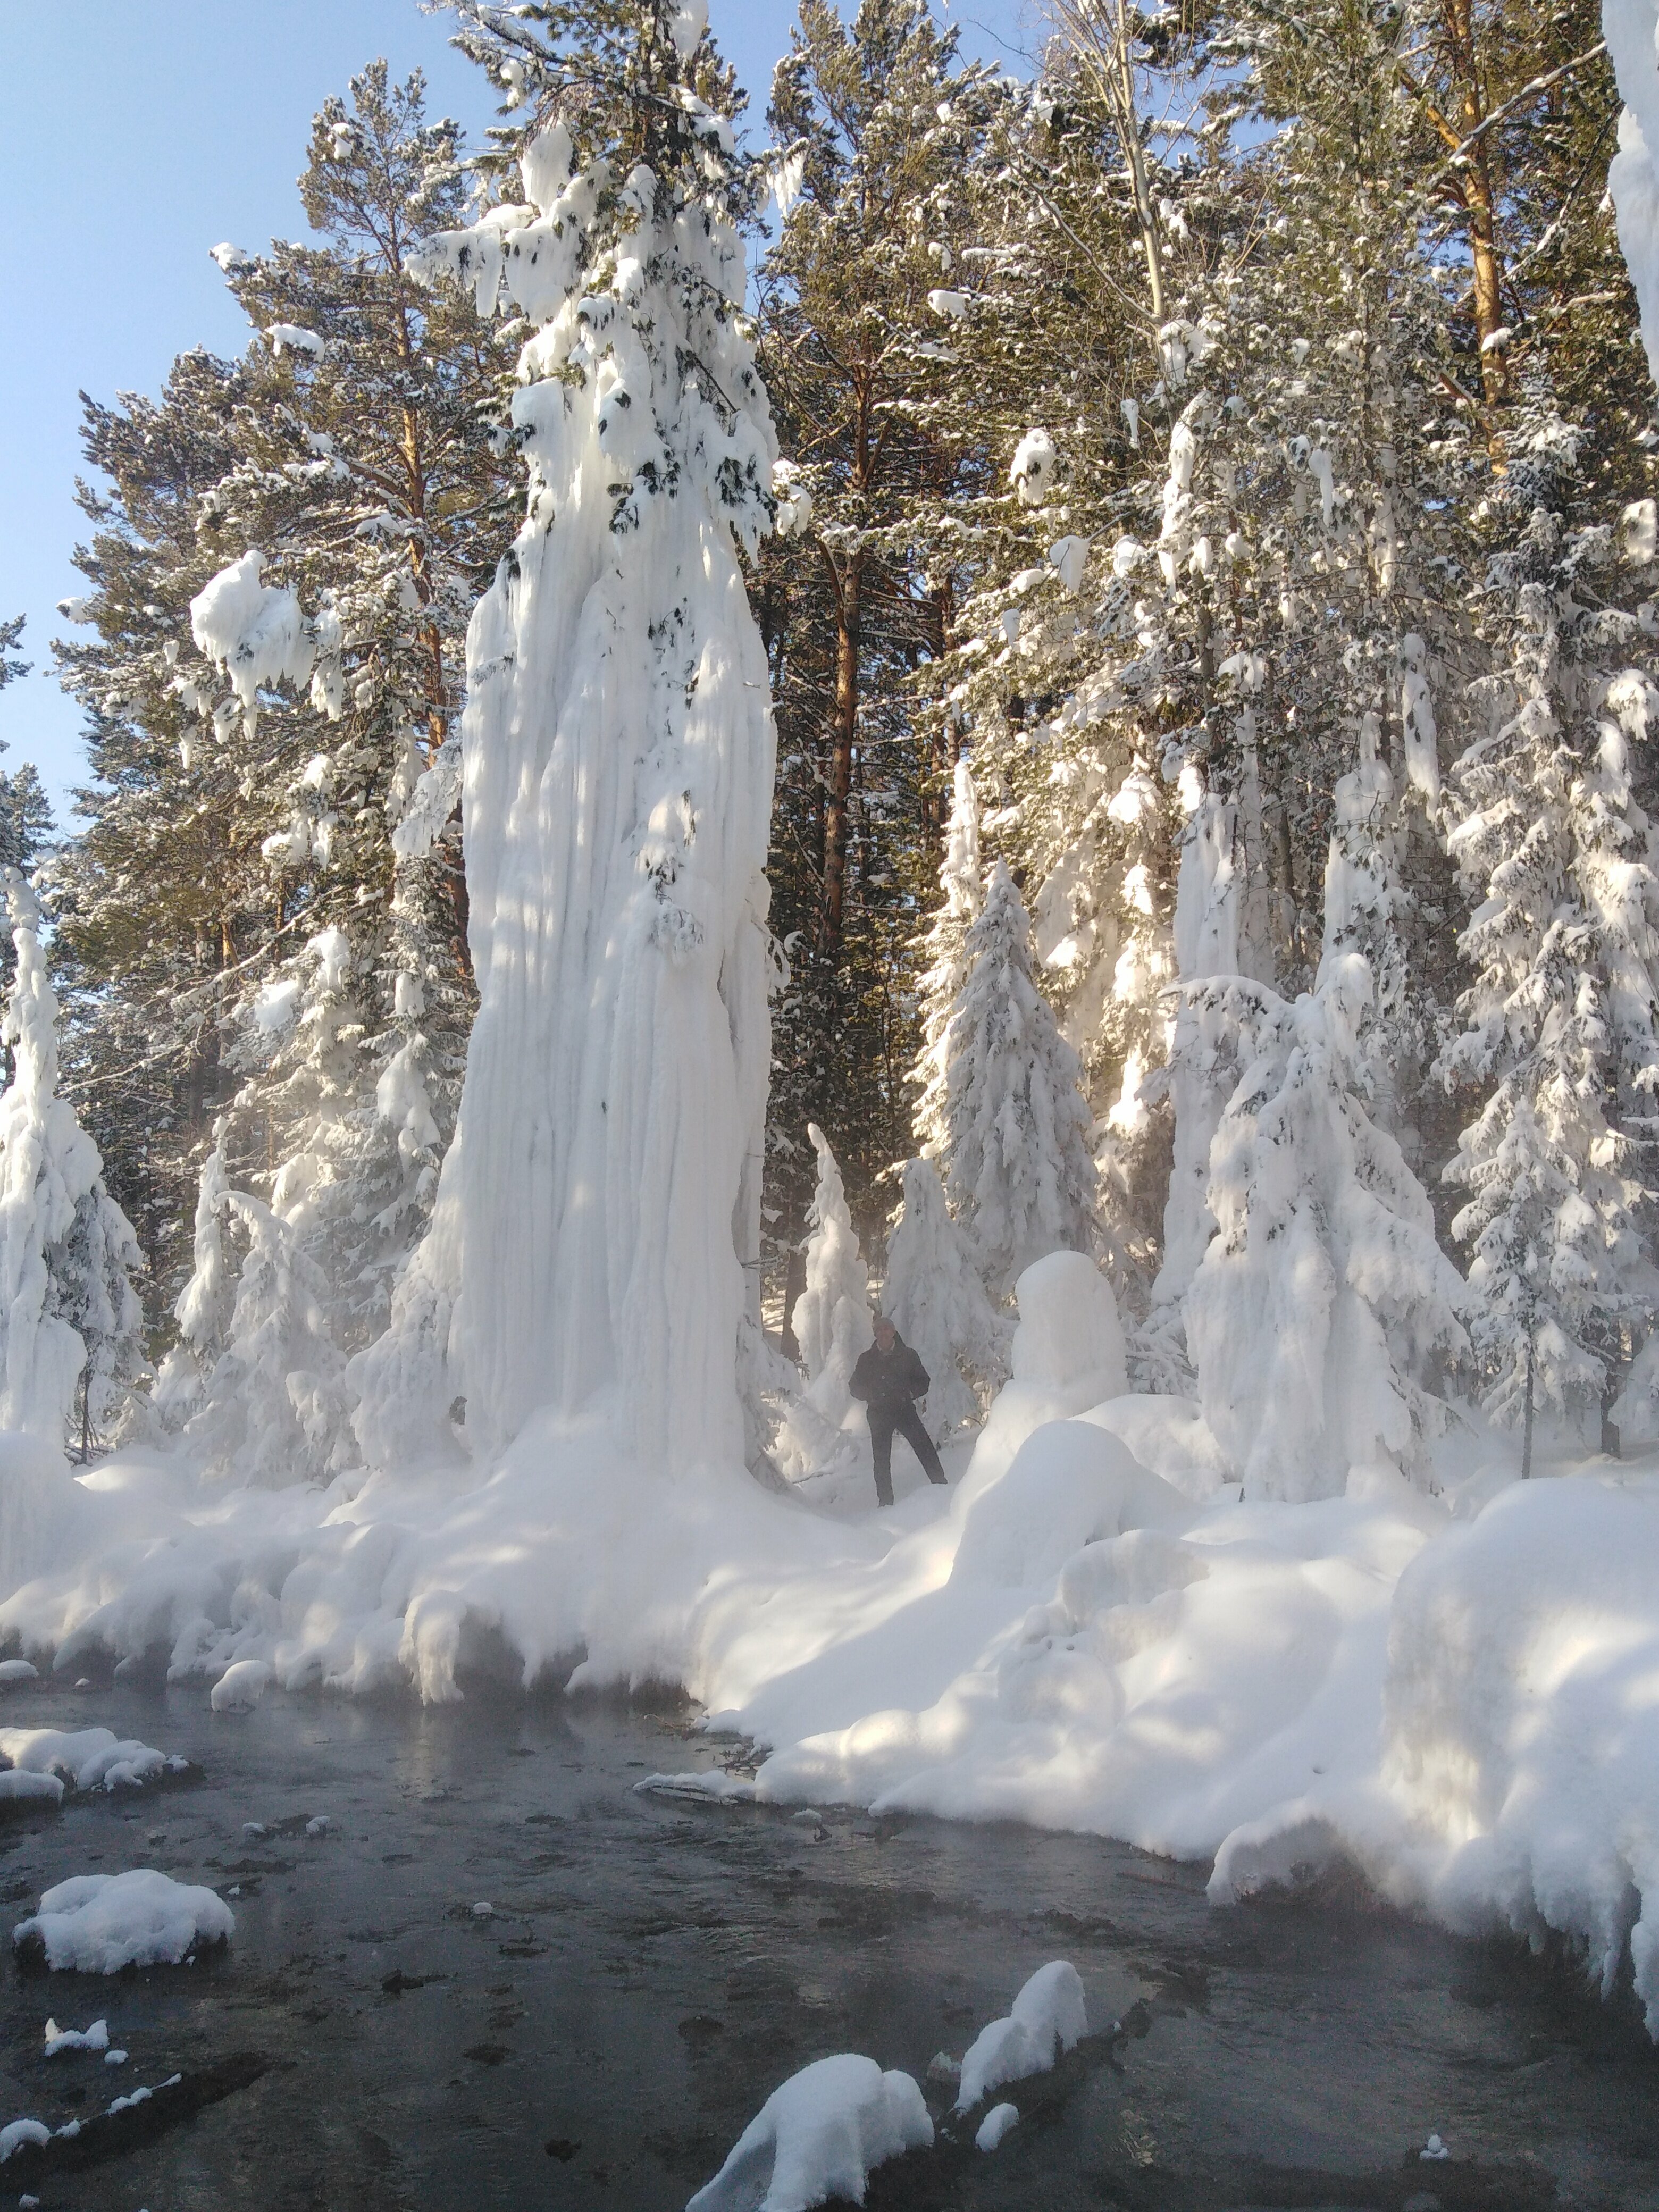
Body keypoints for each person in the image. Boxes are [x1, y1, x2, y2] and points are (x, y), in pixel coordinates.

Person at [849, 1315, 949, 1508]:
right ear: (876, 1334)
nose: (884, 1333)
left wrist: (910, 1393)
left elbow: (923, 1381)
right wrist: (871, 1395)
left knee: (925, 1448)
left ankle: (942, 1486)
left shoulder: (909, 1355)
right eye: (880, 1330)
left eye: (887, 1329)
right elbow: (854, 1386)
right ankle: (885, 1504)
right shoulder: (866, 1359)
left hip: (904, 1410)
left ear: (893, 1332)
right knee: (881, 1459)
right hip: (878, 1413)